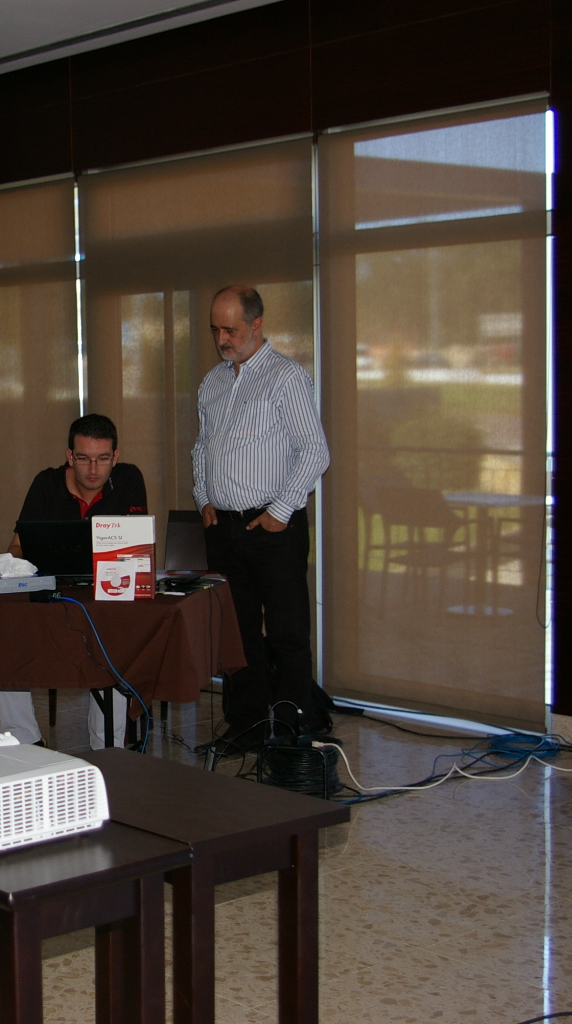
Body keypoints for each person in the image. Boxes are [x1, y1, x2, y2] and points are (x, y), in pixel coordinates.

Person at [193, 286, 332, 754]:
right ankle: (247, 726)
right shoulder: (212, 383)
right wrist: (203, 498)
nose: (222, 339)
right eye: (215, 329)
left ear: (257, 325)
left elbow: (315, 451)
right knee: (237, 635)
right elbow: (201, 448)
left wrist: (279, 511)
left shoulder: (285, 377)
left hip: (274, 528)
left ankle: (293, 729)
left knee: (288, 633)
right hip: (224, 529)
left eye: (230, 329)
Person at [0, 414, 146, 747]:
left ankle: (107, 745)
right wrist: (15, 569)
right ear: (70, 456)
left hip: (106, 600)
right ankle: (23, 739)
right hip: (52, 600)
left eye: (102, 459)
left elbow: (136, 548)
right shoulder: (46, 484)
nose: (93, 469)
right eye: (83, 458)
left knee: (120, 640)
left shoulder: (128, 480)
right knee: (4, 636)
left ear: (115, 457)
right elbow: (17, 547)